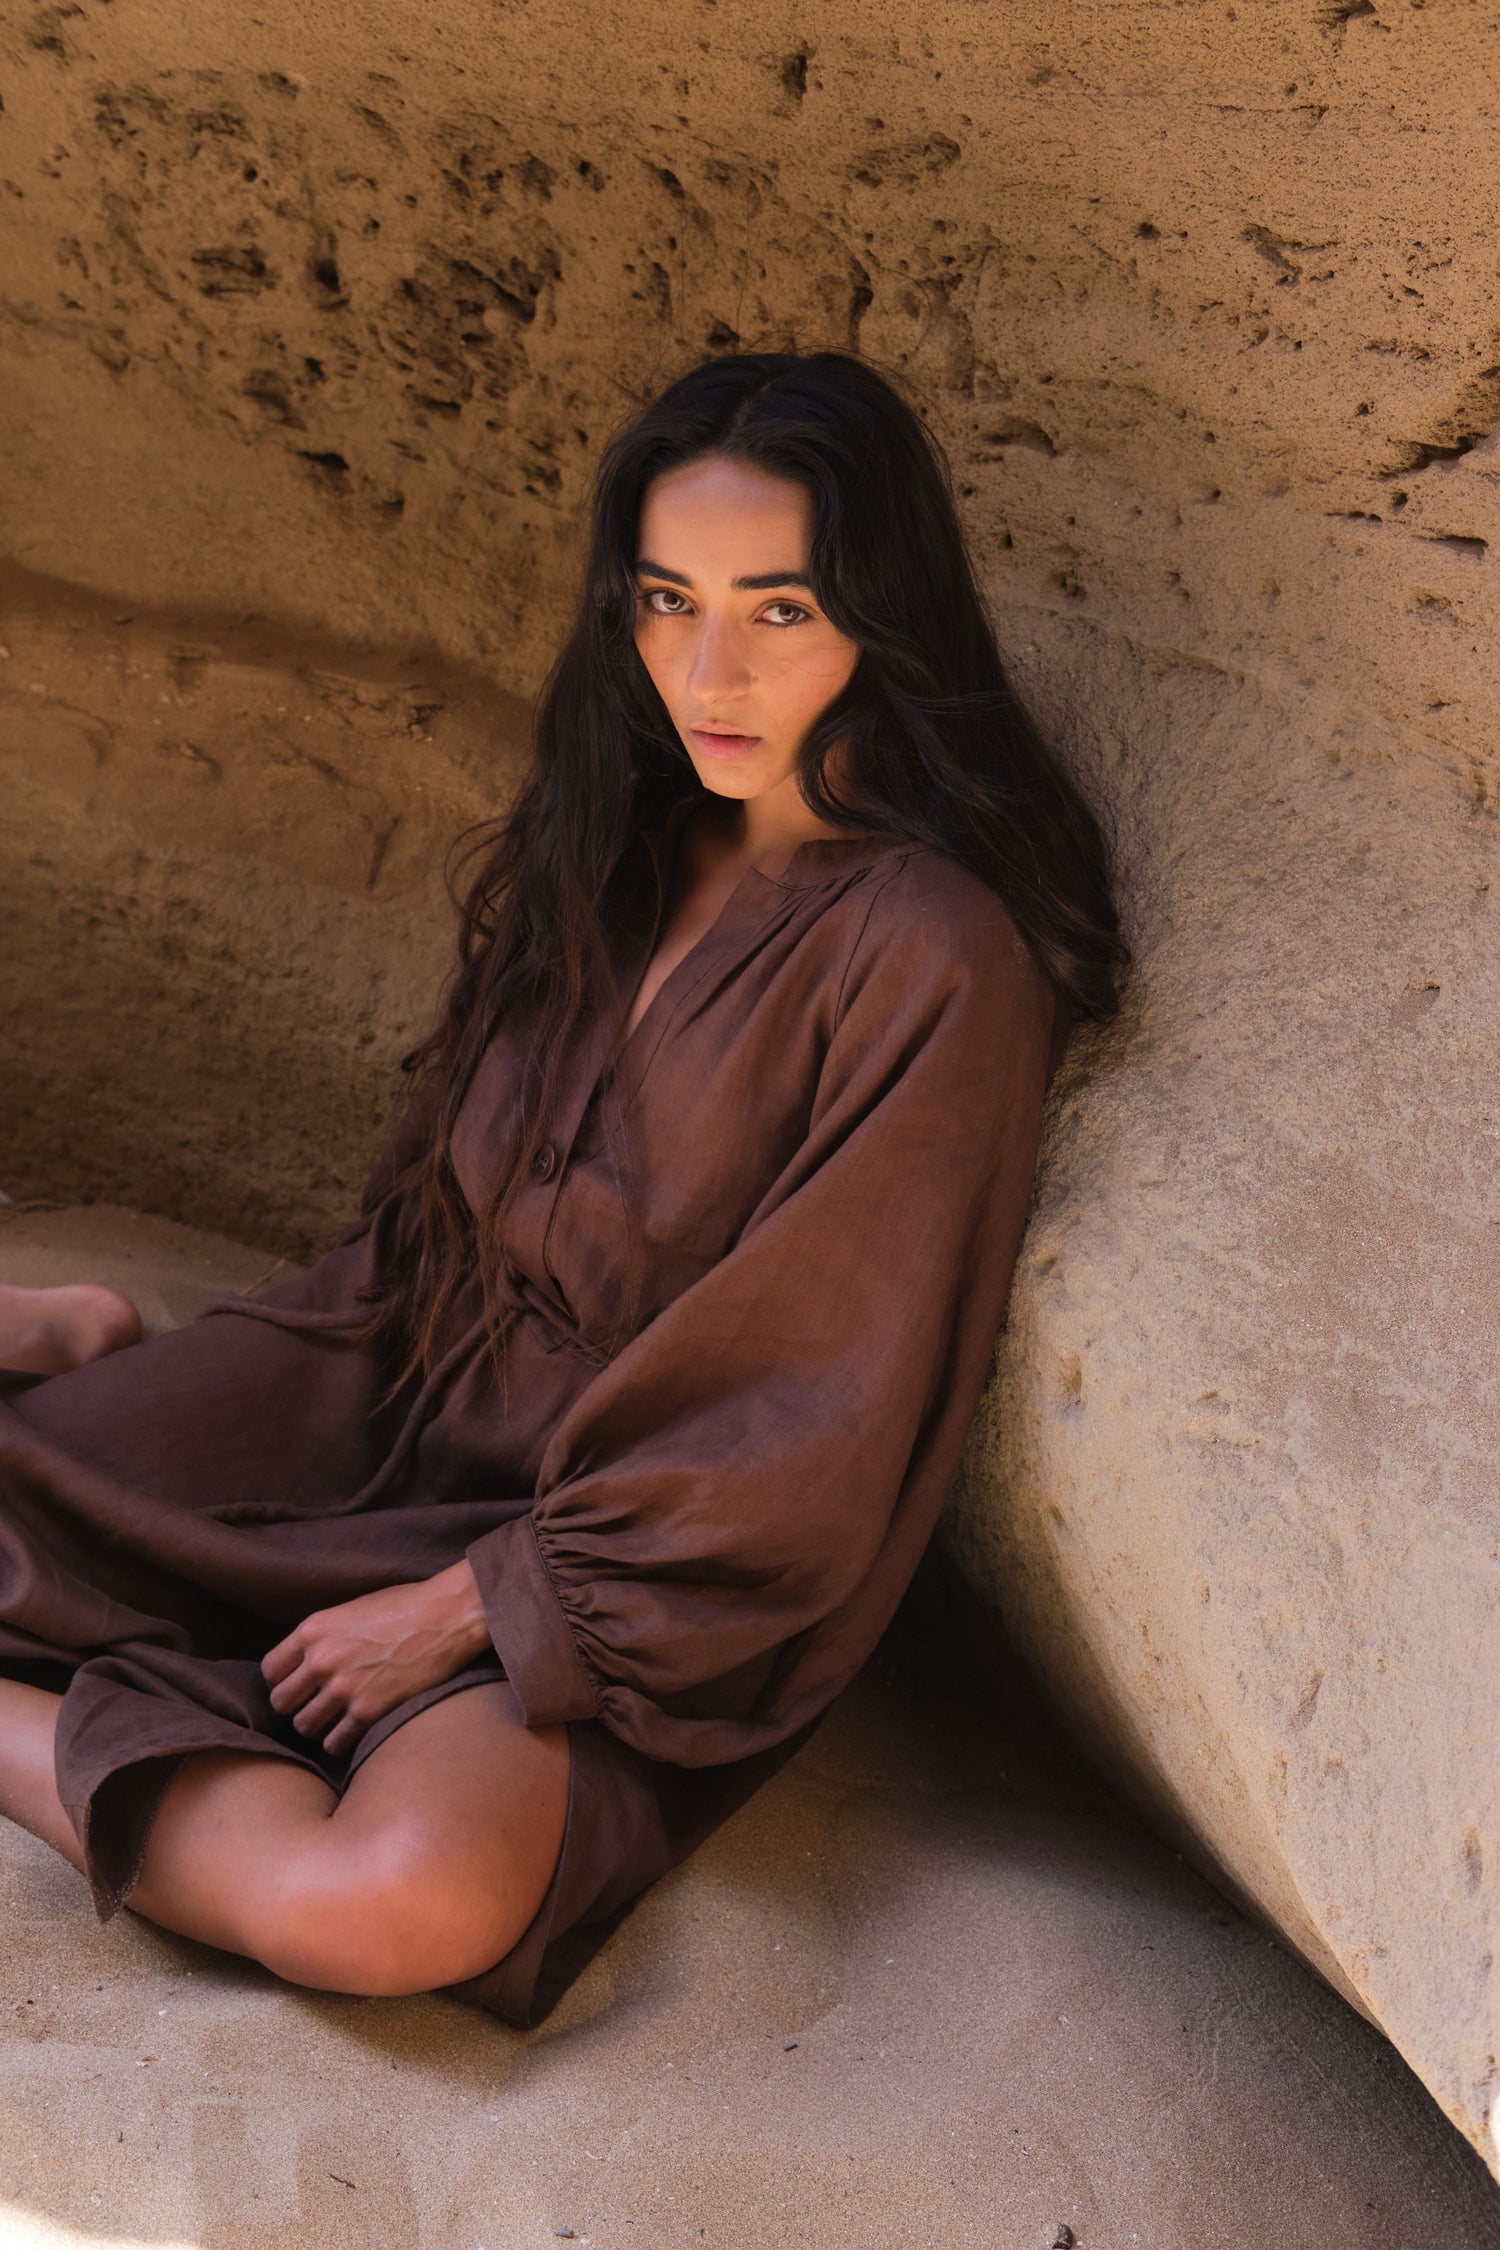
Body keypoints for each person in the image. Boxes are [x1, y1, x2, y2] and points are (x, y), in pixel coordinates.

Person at [0, 351, 1125, 2021]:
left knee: (397, 1905)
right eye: (668, 602)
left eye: (780, 610)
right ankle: (99, 1346)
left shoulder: (935, 953)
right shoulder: (622, 845)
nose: (708, 668)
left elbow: (813, 1408)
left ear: (880, 620)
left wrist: (473, 1606)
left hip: (608, 1550)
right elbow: (421, 1233)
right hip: (385, 1400)